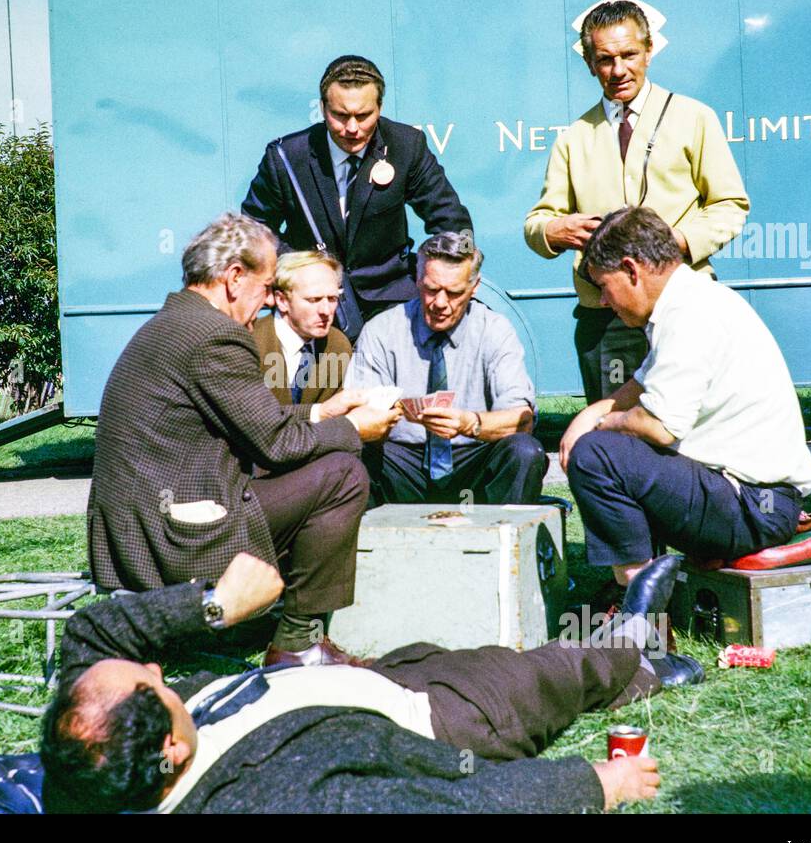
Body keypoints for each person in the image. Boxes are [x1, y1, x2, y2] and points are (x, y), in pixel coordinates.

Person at [40, 550, 707, 814]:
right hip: (438, 719)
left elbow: (88, 638)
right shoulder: (277, 802)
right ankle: (634, 645)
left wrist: (212, 605)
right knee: (544, 671)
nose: (159, 669)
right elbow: (457, 809)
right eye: (152, 683)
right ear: (172, 751)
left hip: (368, 681)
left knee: (466, 648)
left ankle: (635, 671)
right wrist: (596, 783)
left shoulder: (88, 751)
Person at [85, 213, 401, 667]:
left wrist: (321, 411)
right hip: (174, 535)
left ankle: (262, 618)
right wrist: (355, 429)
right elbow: (273, 443)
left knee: (317, 467)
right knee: (344, 475)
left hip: (134, 529)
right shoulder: (219, 336)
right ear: (234, 278)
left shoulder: (175, 323)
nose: (269, 299)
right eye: (267, 286)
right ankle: (298, 643)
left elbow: (246, 419)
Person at [561, 206, 811, 599]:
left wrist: (598, 428)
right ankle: (646, 589)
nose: (601, 301)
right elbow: (637, 387)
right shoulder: (691, 301)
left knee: (598, 455)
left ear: (632, 270)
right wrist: (591, 412)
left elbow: (658, 427)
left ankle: (639, 603)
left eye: (604, 285)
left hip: (755, 507)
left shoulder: (689, 314)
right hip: (759, 500)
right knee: (608, 446)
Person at [524, 0, 749, 404]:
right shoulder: (573, 137)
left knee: (690, 431)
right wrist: (554, 231)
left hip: (684, 305)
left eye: (629, 55)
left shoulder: (694, 118)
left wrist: (674, 243)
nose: (618, 70)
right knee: (612, 434)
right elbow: (539, 221)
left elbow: (730, 206)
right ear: (590, 63)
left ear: (649, 51)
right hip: (605, 315)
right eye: (605, 59)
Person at [241, 55, 471, 341]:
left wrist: (441, 275)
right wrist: (299, 269)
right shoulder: (286, 157)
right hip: (311, 300)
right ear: (322, 108)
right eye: (340, 115)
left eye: (363, 116)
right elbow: (254, 230)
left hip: (392, 295)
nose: (352, 128)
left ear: (380, 108)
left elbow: (451, 219)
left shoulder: (406, 145)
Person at [346, 231, 547, 506]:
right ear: (417, 279)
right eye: (431, 289)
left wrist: (469, 424)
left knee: (525, 451)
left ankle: (504, 544)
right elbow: (358, 417)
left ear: (474, 287)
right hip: (401, 464)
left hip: (472, 461)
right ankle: (365, 546)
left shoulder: (495, 330)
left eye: (454, 293)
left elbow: (522, 420)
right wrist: (391, 416)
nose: (440, 303)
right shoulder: (381, 330)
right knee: (350, 453)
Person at [254, 251, 351, 407]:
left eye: (332, 299)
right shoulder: (250, 343)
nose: (326, 311)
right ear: (282, 300)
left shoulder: (338, 346)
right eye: (314, 300)